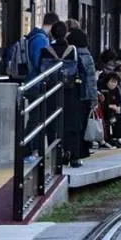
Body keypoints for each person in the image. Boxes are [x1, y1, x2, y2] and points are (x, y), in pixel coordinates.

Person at [51, 22, 85, 167]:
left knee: (54, 125)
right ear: (66, 34)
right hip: (71, 93)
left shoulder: (46, 50)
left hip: (52, 93)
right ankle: (74, 158)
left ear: (52, 34)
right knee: (72, 125)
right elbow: (81, 70)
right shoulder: (72, 50)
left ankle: (57, 157)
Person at [68, 28, 99, 158]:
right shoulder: (88, 56)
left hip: (72, 95)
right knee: (83, 125)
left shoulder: (71, 54)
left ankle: (72, 151)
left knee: (72, 124)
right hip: (86, 95)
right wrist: (94, 98)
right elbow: (91, 80)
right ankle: (83, 150)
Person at [27, 12, 59, 79]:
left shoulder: (36, 36)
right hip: (35, 79)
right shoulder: (42, 39)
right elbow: (39, 64)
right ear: (53, 25)